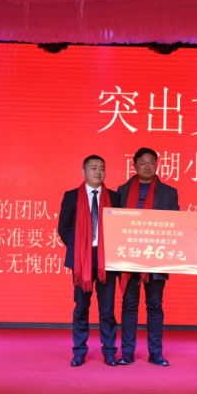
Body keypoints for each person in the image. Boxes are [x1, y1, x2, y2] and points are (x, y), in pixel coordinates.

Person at [116, 147, 179, 367]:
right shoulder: (122, 191)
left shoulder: (169, 192)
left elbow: (177, 225)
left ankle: (155, 353)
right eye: (142, 162)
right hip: (129, 257)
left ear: (157, 165)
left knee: (154, 306)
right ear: (134, 165)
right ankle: (127, 353)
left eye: (151, 162)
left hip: (157, 258)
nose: (147, 166)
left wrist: (194, 235)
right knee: (129, 305)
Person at [58, 155, 121, 367]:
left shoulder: (114, 197)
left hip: (106, 260)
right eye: (93, 168)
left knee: (107, 309)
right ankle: (79, 351)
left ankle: (109, 351)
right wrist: (79, 250)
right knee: (81, 307)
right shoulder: (71, 196)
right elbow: (63, 228)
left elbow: (122, 228)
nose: (98, 172)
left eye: (102, 168)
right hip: (81, 261)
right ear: (83, 171)